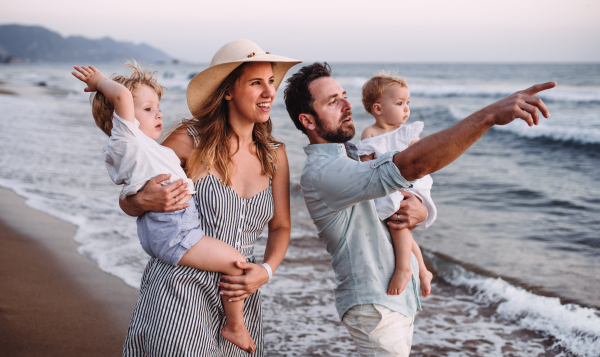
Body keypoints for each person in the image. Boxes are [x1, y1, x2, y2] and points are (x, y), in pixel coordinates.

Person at [283, 62, 553, 356]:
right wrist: (488, 116)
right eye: (333, 101)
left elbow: (398, 195)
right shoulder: (324, 171)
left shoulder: (348, 155)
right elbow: (408, 167)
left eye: (344, 95)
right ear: (308, 121)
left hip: (395, 301)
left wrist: (420, 207)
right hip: (376, 306)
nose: (348, 105)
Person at [118, 39, 300, 356]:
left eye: (271, 82)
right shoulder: (188, 142)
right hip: (180, 290)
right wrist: (145, 201)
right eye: (256, 83)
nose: (269, 92)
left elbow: (281, 226)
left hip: (239, 297)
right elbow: (131, 200)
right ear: (228, 90)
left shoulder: (276, 156)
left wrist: (266, 271)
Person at [72, 63, 261, 352]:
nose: (158, 114)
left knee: (233, 262)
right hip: (175, 230)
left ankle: (234, 324)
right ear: (121, 118)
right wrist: (99, 81)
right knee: (236, 262)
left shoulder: (145, 150)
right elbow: (121, 97)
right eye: (147, 109)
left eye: (157, 107)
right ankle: (235, 326)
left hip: (166, 230)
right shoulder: (128, 140)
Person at [357, 73, 435, 297]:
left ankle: (404, 269)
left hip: (411, 185)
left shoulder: (407, 132)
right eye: (400, 103)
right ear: (378, 109)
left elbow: (421, 160)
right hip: (386, 184)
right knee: (401, 229)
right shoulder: (370, 133)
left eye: (407, 103)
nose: (406, 108)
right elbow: (365, 168)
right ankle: (423, 271)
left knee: (396, 221)